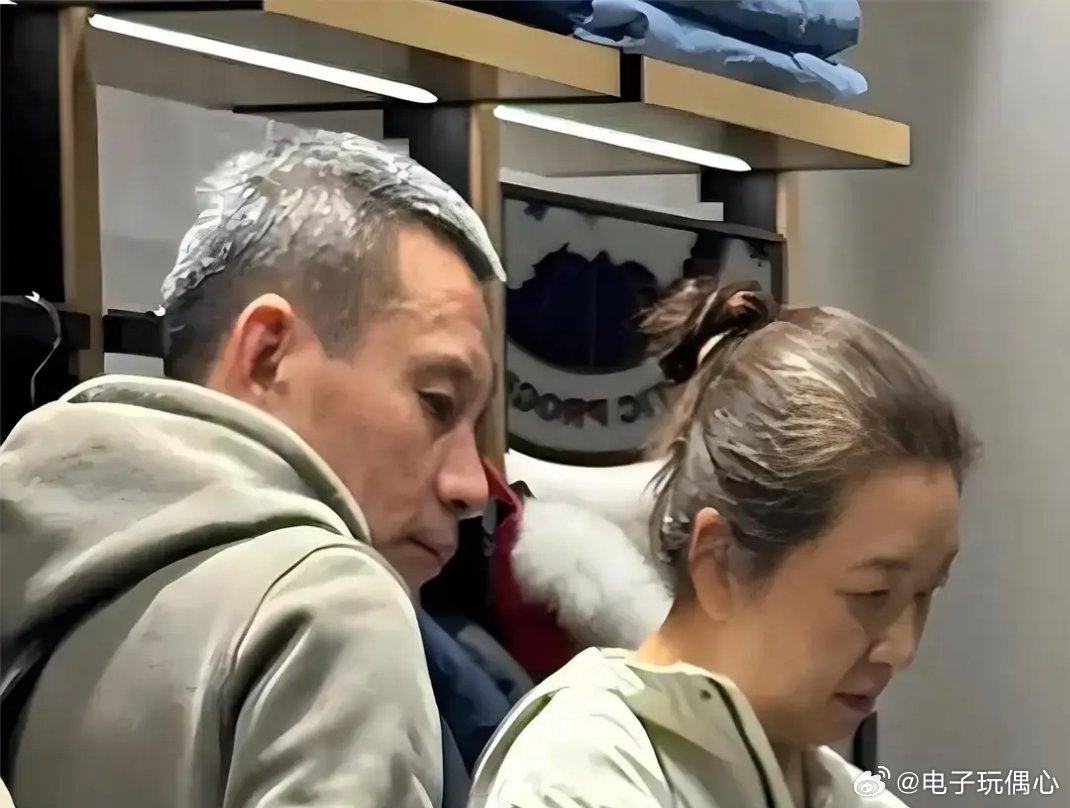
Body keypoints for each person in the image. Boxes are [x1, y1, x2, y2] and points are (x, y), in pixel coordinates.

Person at [0, 130, 504, 808]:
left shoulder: (30, 564)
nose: (471, 486)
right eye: (436, 401)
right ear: (267, 355)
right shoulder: (327, 607)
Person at [469, 279, 979, 808]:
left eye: (925, 594)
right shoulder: (578, 773)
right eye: (873, 593)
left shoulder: (854, 796)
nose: (902, 649)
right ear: (719, 560)